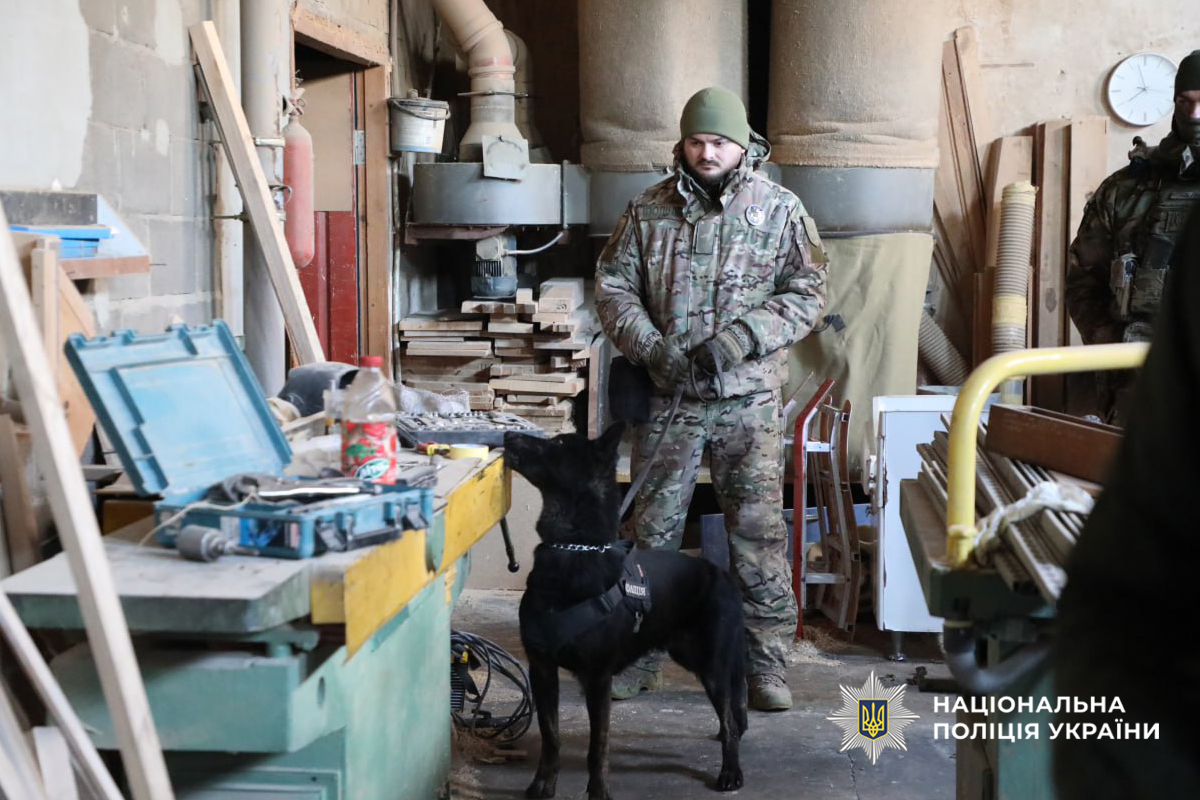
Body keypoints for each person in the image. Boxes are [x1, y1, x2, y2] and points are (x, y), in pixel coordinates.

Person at [594, 86, 829, 711]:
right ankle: (637, 662)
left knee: (757, 536)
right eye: (696, 141)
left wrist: (742, 339)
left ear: (743, 144)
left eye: (719, 141)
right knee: (653, 537)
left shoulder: (779, 211)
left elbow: (808, 294)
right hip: (671, 401)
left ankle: (765, 668)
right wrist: (651, 347)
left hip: (746, 403)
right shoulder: (646, 211)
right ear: (682, 143)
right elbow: (613, 287)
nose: (706, 152)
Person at [1065, 50, 1200, 421]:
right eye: (1185, 102)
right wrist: (1116, 351)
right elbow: (1082, 284)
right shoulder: (1125, 189)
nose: (1195, 115)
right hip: (1138, 388)